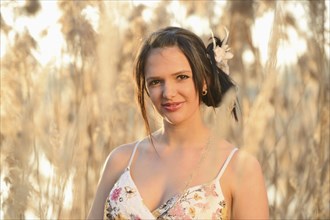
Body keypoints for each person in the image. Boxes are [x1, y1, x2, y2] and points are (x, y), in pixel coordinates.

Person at [87, 26, 269, 220]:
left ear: (204, 81)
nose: (168, 93)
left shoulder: (239, 168)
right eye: (156, 82)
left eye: (181, 77)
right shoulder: (121, 160)